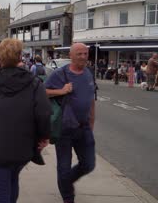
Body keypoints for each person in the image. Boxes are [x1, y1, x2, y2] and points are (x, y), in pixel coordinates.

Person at [0, 38, 52, 203]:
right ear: (20, 56)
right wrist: (44, 136)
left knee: (0, 192)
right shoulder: (34, 83)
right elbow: (43, 113)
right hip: (22, 146)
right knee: (12, 181)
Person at [45, 43, 96, 203]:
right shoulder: (60, 74)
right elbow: (41, 92)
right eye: (79, 54)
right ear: (71, 56)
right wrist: (61, 91)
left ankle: (66, 182)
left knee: (88, 164)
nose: (83, 57)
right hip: (64, 129)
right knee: (64, 167)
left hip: (84, 128)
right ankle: (68, 197)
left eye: (85, 54)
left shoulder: (89, 73)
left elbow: (92, 100)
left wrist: (92, 122)